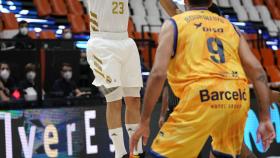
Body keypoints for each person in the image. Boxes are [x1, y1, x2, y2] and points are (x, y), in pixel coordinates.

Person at [130, 0, 275, 157]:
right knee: (231, 152)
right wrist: (265, 117)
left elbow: (158, 73)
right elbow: (258, 71)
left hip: (201, 95)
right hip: (237, 95)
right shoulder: (230, 27)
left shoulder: (176, 23)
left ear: (185, 1)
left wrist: (144, 121)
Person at [86, 0, 144, 157]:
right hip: (102, 43)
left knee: (134, 100)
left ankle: (136, 153)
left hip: (126, 42)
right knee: (114, 99)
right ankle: (120, 153)